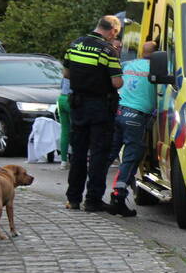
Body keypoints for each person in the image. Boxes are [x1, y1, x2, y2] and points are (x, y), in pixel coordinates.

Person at [63, 15, 123, 211]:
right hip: (100, 108)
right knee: (99, 154)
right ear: (113, 31)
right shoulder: (107, 50)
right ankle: (93, 200)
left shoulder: (75, 45)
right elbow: (117, 83)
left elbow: (66, 74)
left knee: (78, 153)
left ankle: (73, 199)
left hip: (78, 105)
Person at [106, 40, 158, 217]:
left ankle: (92, 194)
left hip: (119, 111)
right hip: (136, 116)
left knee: (110, 153)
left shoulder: (129, 64)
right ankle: (118, 197)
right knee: (131, 156)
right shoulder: (160, 68)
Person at [57, 75, 72, 169]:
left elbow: (61, 85)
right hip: (72, 99)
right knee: (77, 130)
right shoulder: (80, 67)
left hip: (62, 98)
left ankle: (63, 161)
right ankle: (75, 158)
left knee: (64, 131)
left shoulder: (68, 69)